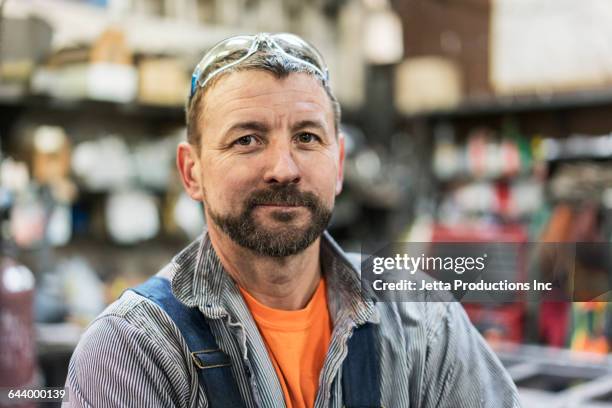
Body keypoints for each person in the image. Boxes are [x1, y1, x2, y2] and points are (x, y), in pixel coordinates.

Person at [65, 33, 521, 408]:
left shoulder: (420, 319)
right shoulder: (135, 352)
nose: (284, 167)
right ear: (192, 172)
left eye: (307, 137)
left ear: (339, 164)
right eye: (247, 139)